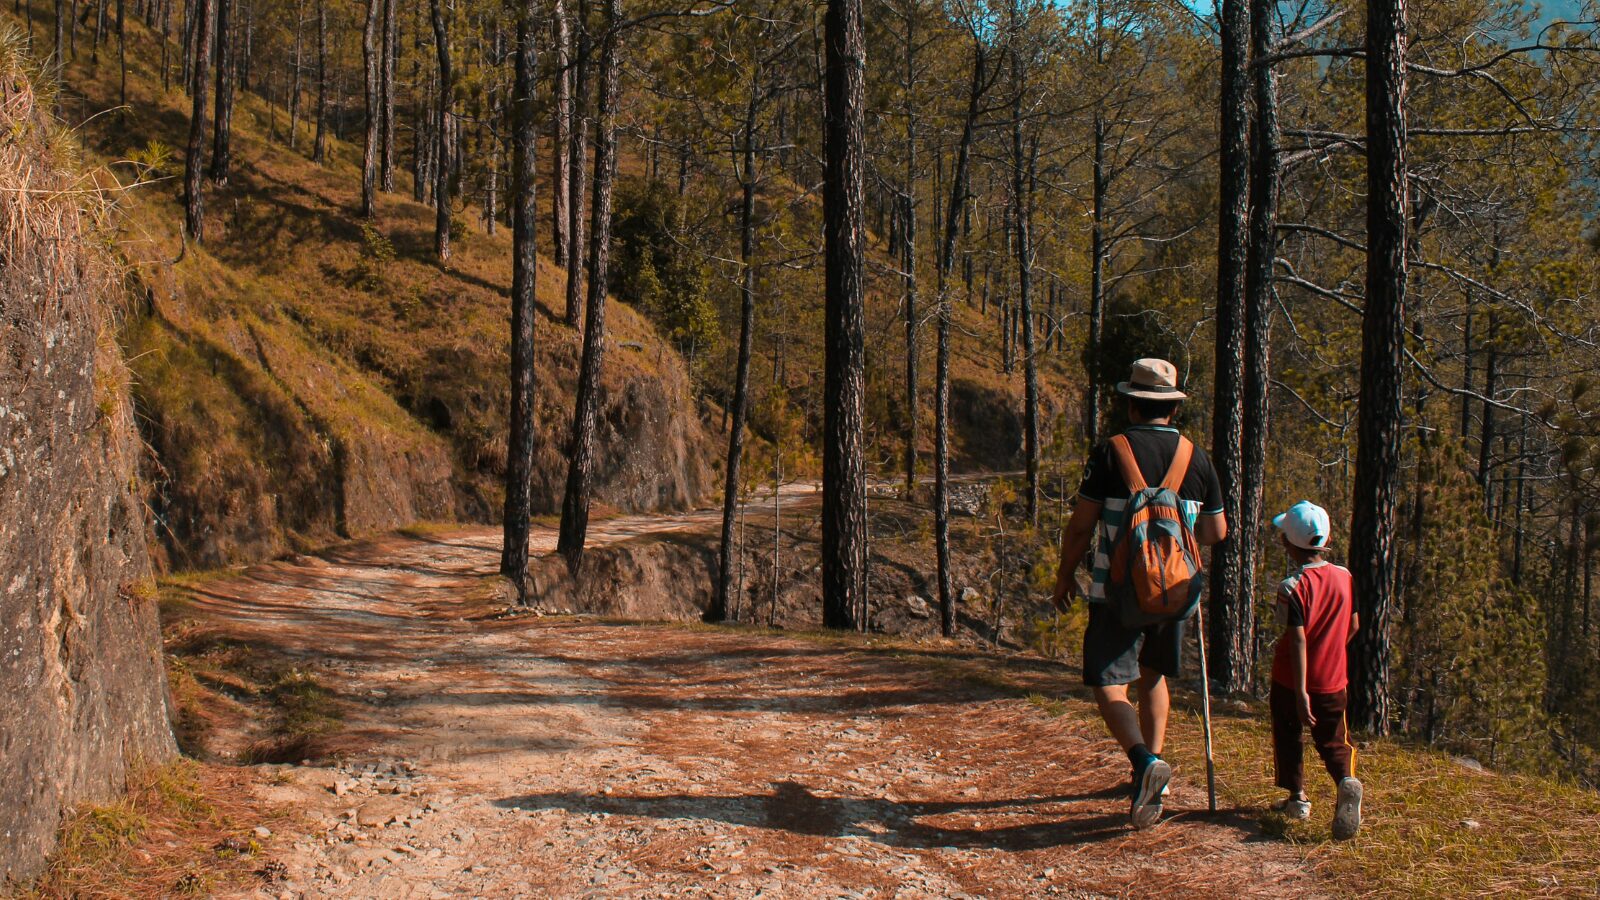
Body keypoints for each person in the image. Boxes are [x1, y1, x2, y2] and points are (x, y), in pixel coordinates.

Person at [1049, 358, 1227, 830]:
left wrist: (1065, 575)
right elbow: (1215, 531)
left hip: (1116, 590)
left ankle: (1144, 762)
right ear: (1171, 406)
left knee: (1109, 682)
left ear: (1131, 403)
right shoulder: (1197, 457)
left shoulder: (1112, 453)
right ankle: (1156, 778)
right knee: (1153, 678)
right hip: (1176, 592)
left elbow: (1081, 526)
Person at [1267, 500, 1363, 840]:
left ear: (1287, 543)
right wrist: (1334, 648)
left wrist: (1302, 690)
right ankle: (1346, 782)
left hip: (1292, 680)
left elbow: (1297, 641)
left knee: (1288, 732)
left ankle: (1297, 798)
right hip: (1335, 679)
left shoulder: (1291, 587)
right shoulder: (1344, 576)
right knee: (1334, 740)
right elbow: (1353, 625)